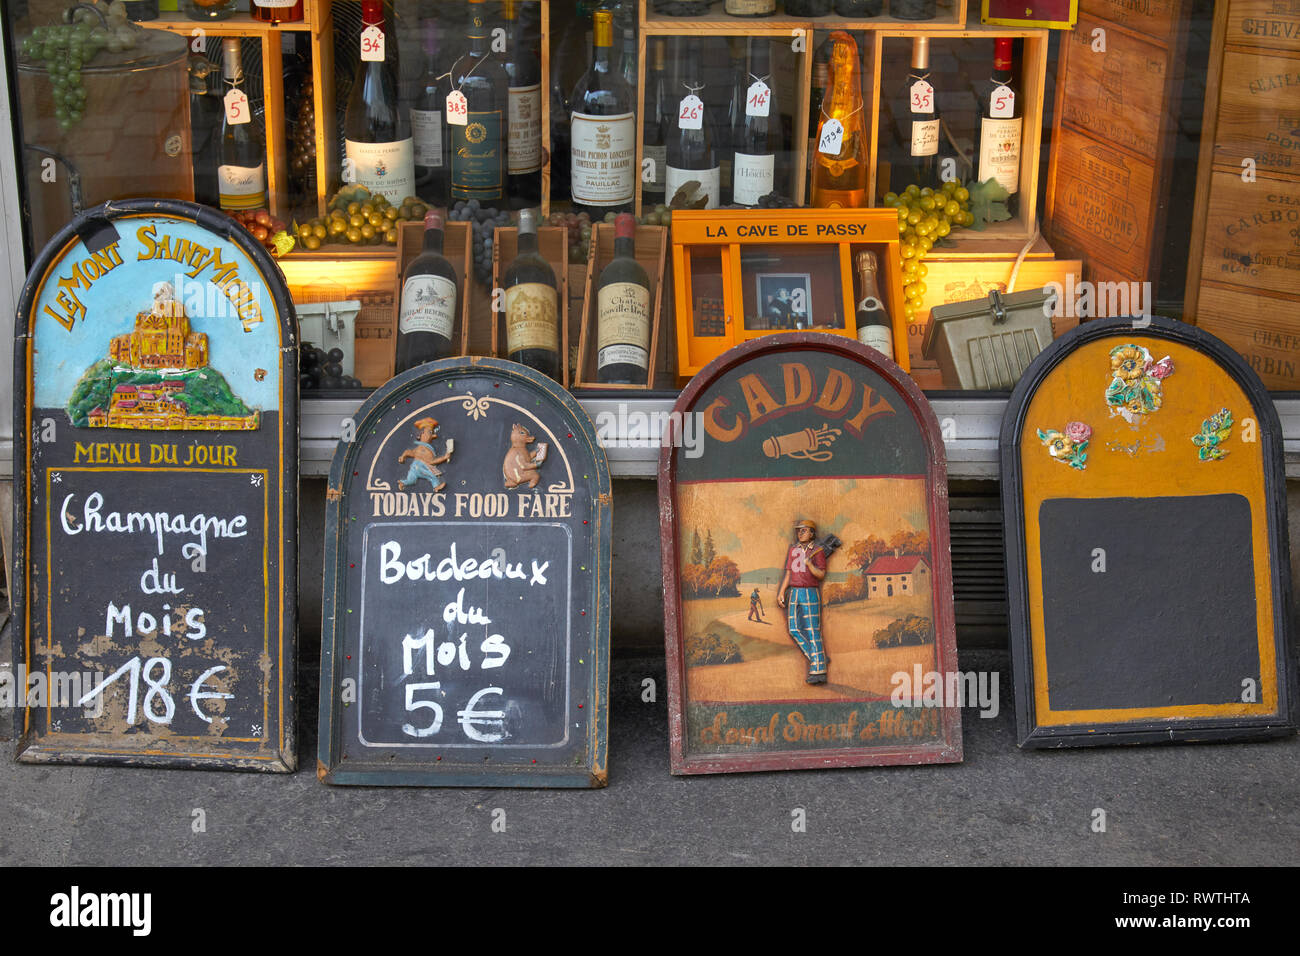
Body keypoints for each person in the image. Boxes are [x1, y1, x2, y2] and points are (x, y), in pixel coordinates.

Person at [777, 519, 830, 684]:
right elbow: (788, 573)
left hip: (809, 591)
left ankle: (819, 670)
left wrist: (810, 566)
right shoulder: (793, 550)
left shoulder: (817, 551)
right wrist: (781, 591)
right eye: (799, 530)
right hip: (794, 591)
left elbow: (821, 574)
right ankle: (817, 657)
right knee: (794, 628)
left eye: (804, 530)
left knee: (812, 629)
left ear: (812, 533)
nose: (800, 533)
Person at [397, 417, 452, 491]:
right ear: (421, 434)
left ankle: (402, 483)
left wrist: (403, 456)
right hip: (419, 467)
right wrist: (444, 458)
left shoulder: (425, 448)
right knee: (432, 475)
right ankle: (436, 486)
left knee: (411, 480)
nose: (433, 436)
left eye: (432, 433)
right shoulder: (422, 448)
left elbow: (409, 452)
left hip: (415, 467)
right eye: (430, 432)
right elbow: (431, 461)